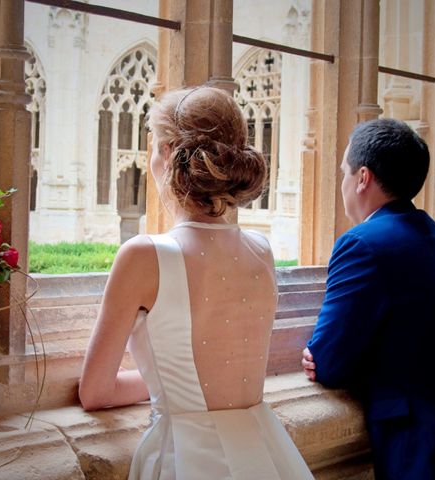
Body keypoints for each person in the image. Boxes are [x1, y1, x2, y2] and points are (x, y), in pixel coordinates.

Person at [79, 86, 314, 479]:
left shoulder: (142, 257)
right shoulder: (261, 250)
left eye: (153, 145)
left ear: (169, 153)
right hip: (265, 451)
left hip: (186, 457)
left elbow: (95, 392)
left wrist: (167, 384)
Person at [302, 118, 435, 480]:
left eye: (344, 173)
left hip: (427, 450)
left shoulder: (361, 244)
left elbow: (329, 363)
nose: (343, 184)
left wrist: (323, 356)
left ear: (363, 178)